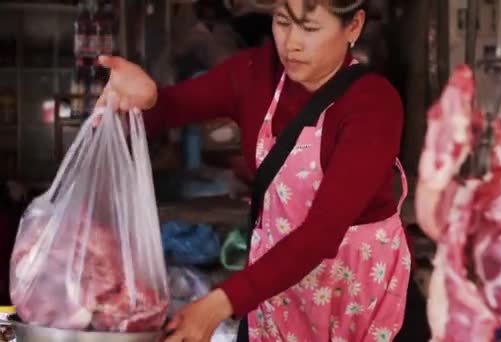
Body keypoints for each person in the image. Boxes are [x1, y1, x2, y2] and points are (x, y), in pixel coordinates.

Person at [96, 0, 411, 341]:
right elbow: (172, 107)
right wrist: (147, 100)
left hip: (353, 300)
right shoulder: (256, 74)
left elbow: (322, 233)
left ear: (353, 26)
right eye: (282, 22)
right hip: (274, 291)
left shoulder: (373, 104)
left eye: (310, 28)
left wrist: (219, 303)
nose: (292, 43)